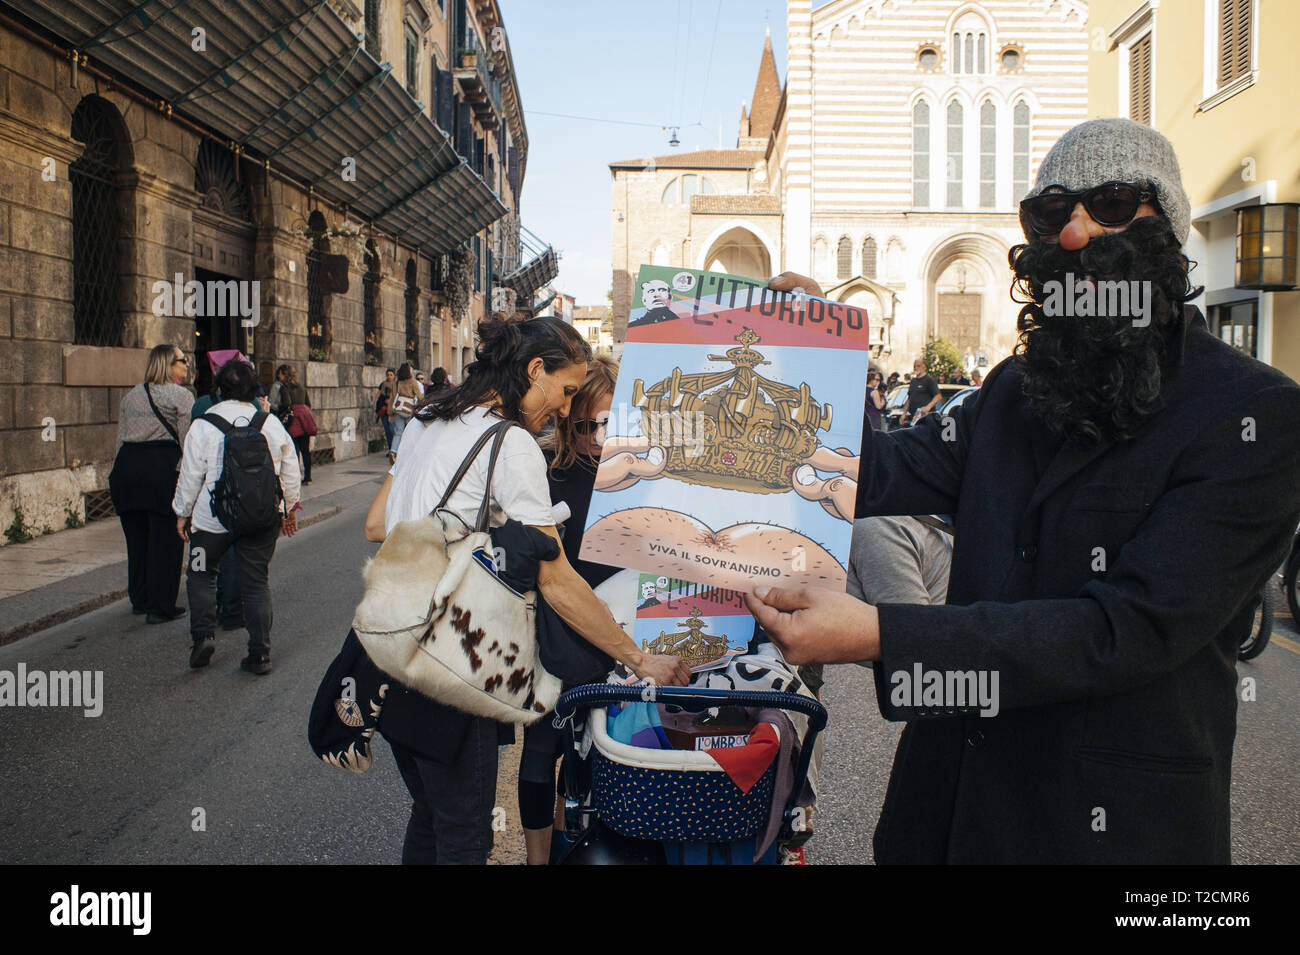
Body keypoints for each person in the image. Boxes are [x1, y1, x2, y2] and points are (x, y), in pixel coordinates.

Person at [755, 117, 1300, 864]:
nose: (1075, 232)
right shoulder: (1015, 389)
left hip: (1106, 833)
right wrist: (810, 353)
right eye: (1050, 212)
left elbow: (1121, 631)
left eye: (1110, 202)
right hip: (945, 814)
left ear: (1168, 230)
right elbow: (872, 471)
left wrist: (882, 634)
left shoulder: (1254, 412)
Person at [361, 317, 688, 865]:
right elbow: (556, 578)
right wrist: (639, 659)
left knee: (431, 818)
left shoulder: (426, 417)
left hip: (390, 654)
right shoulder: (510, 444)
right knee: (465, 833)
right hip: (450, 666)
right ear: (535, 370)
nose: (565, 410)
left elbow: (376, 523)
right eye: (563, 392)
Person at [522, 354, 620, 864]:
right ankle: (540, 857)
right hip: (558, 639)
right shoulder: (545, 475)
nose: (598, 437)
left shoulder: (644, 476)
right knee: (541, 756)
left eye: (609, 421)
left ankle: (570, 833)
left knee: (606, 753)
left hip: (624, 639)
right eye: (585, 425)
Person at [173, 359, 301, 673]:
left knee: (200, 573)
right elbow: (290, 469)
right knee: (256, 582)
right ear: (254, 390)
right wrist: (288, 509)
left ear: (218, 389)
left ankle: (203, 635)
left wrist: (182, 512)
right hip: (260, 520)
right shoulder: (269, 423)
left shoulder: (202, 424)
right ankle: (260, 654)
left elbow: (190, 476)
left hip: (211, 523)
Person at [109, 344, 194, 624]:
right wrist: (187, 480)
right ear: (169, 365)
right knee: (166, 541)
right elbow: (187, 442)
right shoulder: (181, 396)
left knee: (136, 540)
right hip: (160, 470)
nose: (187, 365)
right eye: (182, 360)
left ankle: (141, 598)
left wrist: (116, 472)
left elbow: (120, 438)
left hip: (127, 469)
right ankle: (161, 606)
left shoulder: (131, 396)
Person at [275, 365, 313, 486]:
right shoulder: (301, 387)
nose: (277, 376)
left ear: (284, 374)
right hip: (304, 418)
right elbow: (308, 403)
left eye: (279, 373)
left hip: (293, 421)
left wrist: (279, 408)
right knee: (305, 450)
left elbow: (287, 403)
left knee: (294, 449)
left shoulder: (284, 388)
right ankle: (308, 477)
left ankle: (295, 477)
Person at [389, 363, 422, 458]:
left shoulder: (397, 382)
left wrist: (390, 414)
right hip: (409, 411)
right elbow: (419, 396)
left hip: (398, 410)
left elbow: (392, 398)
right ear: (408, 371)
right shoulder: (413, 382)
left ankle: (393, 451)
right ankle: (407, 453)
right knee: (410, 432)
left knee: (398, 432)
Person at [903, 359, 940, 426]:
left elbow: (938, 396)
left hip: (925, 419)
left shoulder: (929, 380)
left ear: (924, 367)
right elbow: (909, 399)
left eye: (918, 366)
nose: (916, 368)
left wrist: (928, 407)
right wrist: (904, 414)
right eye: (914, 366)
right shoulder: (913, 381)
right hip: (913, 418)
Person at [377, 368, 397, 453]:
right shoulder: (383, 385)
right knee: (387, 431)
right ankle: (390, 449)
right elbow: (379, 396)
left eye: (391, 375)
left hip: (393, 412)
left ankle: (394, 449)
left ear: (394, 376)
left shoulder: (397, 386)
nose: (389, 377)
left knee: (393, 430)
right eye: (388, 375)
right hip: (384, 410)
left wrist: (391, 401)